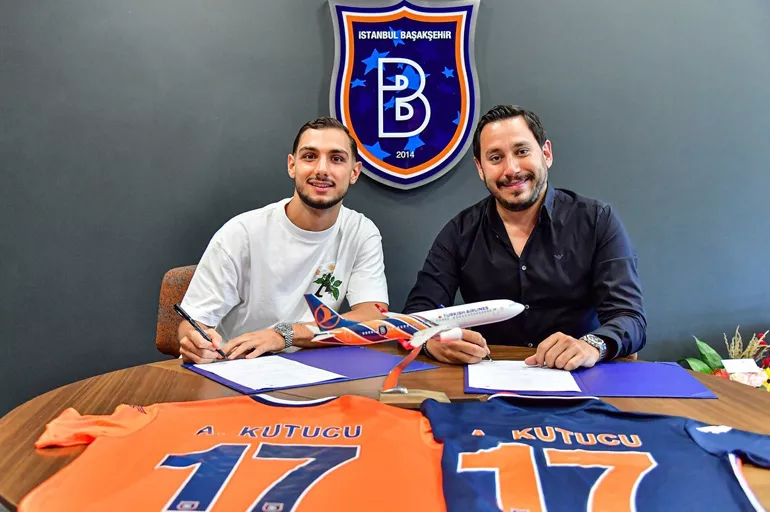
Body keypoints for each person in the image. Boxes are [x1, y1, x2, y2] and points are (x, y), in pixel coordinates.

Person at [403, 105, 646, 370]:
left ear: (546, 154)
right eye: (495, 158)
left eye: (522, 151)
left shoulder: (596, 220)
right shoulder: (459, 232)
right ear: (480, 168)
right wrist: (431, 342)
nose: (511, 169)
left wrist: (591, 345)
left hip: (578, 377)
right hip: (488, 380)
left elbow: (629, 318)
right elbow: (415, 316)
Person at [178, 117, 389, 364]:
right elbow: (192, 325)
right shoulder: (240, 233)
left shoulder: (361, 232)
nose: (322, 169)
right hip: (238, 367)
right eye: (309, 156)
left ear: (354, 172)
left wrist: (284, 335)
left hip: (315, 369)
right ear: (292, 166)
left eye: (336, 159)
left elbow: (374, 317)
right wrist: (194, 343)